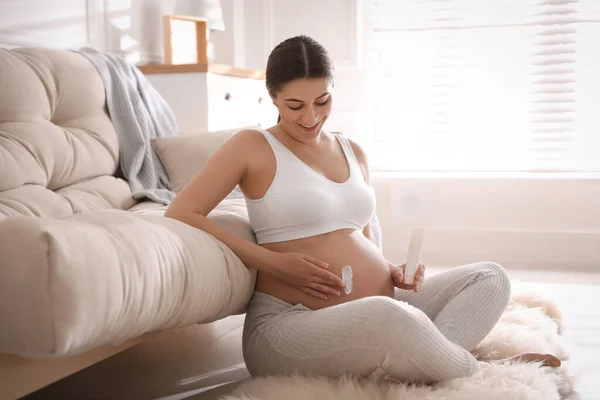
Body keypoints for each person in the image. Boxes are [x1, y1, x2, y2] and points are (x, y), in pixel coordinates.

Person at [164, 35, 561, 383]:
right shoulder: (252, 145)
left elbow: (361, 234)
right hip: (289, 325)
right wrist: (272, 263)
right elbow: (183, 212)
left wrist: (392, 271)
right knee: (392, 319)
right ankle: (477, 369)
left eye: (322, 100)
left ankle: (435, 361)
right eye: (295, 105)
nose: (311, 117)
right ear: (273, 99)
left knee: (489, 277)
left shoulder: (353, 151)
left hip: (384, 305)